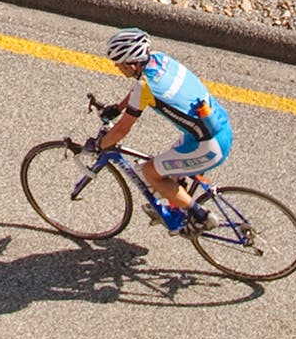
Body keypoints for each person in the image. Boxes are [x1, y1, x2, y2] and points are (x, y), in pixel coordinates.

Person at [94, 28, 233, 232]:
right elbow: (137, 91)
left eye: (119, 63)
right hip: (219, 128)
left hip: (209, 147)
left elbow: (123, 129)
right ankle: (176, 206)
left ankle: (201, 216)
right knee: (165, 164)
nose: (116, 67)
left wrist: (101, 145)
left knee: (151, 172)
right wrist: (117, 107)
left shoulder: (145, 87)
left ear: (132, 65)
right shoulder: (159, 59)